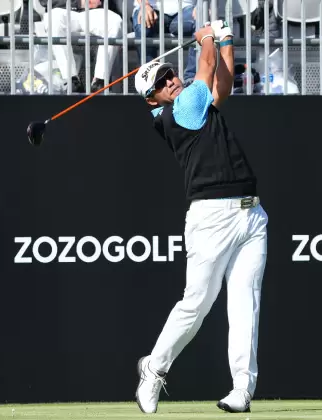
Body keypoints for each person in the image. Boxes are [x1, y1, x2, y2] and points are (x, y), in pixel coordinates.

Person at [132, 21, 268, 414]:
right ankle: (155, 368)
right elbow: (206, 69)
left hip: (251, 215)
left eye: (169, 73)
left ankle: (241, 390)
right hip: (212, 218)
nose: (170, 80)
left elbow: (222, 85)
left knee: (245, 305)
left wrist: (225, 41)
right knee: (197, 304)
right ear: (152, 99)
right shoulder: (178, 111)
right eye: (161, 82)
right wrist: (206, 37)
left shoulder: (197, 104)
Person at [43, 0, 123, 93]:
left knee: (115, 21)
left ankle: (100, 82)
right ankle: (71, 80)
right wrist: (79, 3)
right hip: (63, 10)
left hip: (95, 11)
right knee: (53, 18)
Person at [132, 0, 197, 85]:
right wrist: (145, 5)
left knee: (201, 18)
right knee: (142, 24)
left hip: (186, 8)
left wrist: (200, 6)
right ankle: (151, 81)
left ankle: (192, 80)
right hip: (150, 7)